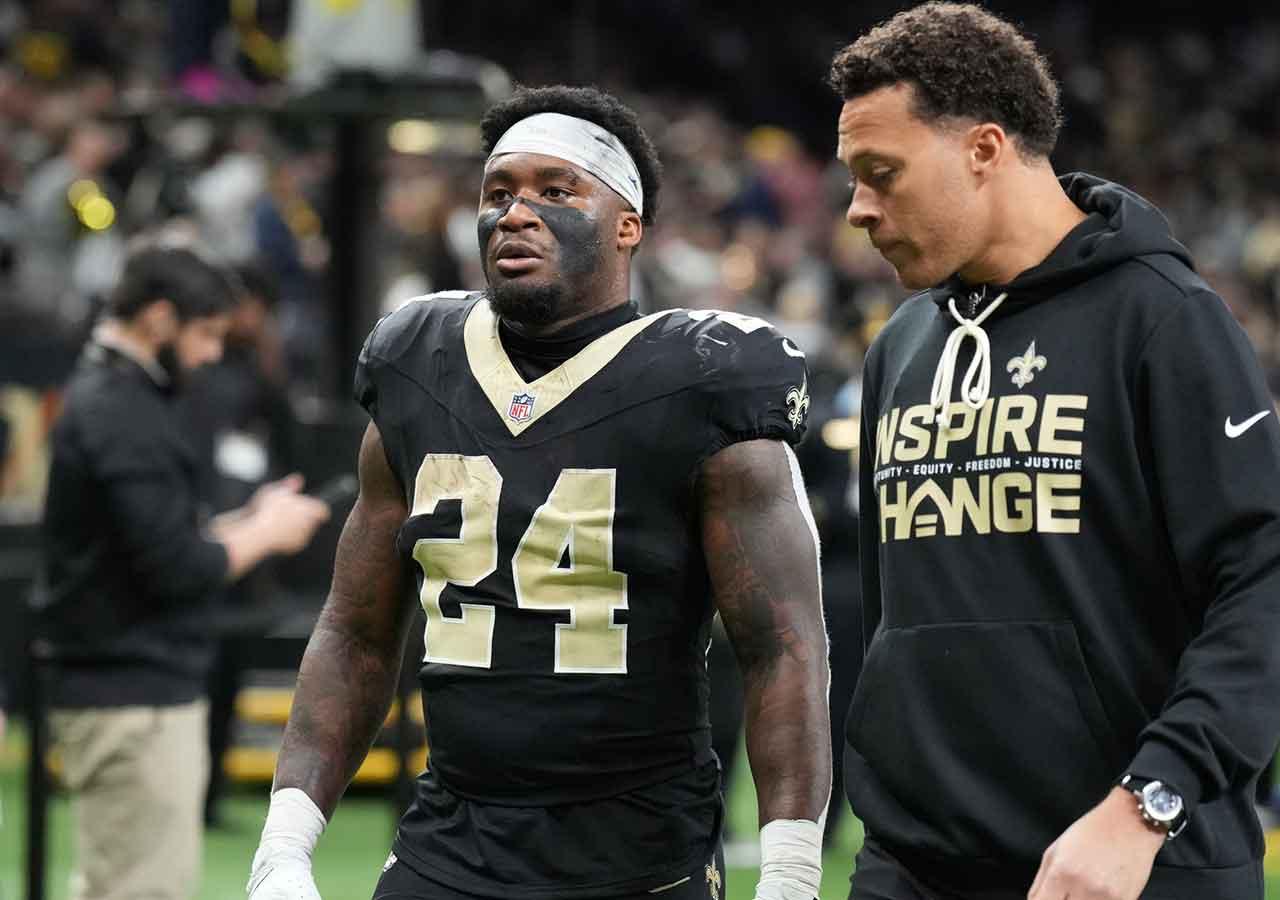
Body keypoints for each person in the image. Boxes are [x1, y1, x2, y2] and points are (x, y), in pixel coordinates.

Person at [246, 85, 832, 900]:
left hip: (637, 862)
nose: (516, 213)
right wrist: (284, 843)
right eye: (499, 192)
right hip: (449, 847)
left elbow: (783, 650)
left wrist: (793, 874)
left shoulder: (706, 378)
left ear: (628, 224)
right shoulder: (420, 364)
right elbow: (357, 630)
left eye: (558, 191)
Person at [829, 5, 1280, 900]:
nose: (858, 208)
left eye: (880, 173)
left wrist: (1145, 805)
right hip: (913, 863)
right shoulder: (900, 346)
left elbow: (1264, 586)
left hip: (1131, 864)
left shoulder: (1165, 320)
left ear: (983, 149)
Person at [35, 241, 330, 900]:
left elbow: (154, 541)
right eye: (204, 335)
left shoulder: (117, 397)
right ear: (160, 319)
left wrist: (246, 521)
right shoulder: (118, 407)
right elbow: (176, 566)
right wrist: (263, 531)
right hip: (133, 699)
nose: (211, 355)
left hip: (131, 691)